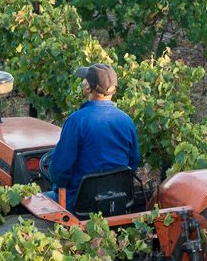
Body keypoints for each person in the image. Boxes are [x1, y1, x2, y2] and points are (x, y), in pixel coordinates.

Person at [43, 63, 141, 209]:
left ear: (88, 88)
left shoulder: (76, 121)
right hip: (117, 202)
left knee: (39, 199)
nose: (82, 82)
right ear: (113, 89)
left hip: (78, 204)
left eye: (84, 80)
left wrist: (56, 180)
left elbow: (59, 171)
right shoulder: (127, 121)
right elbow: (133, 163)